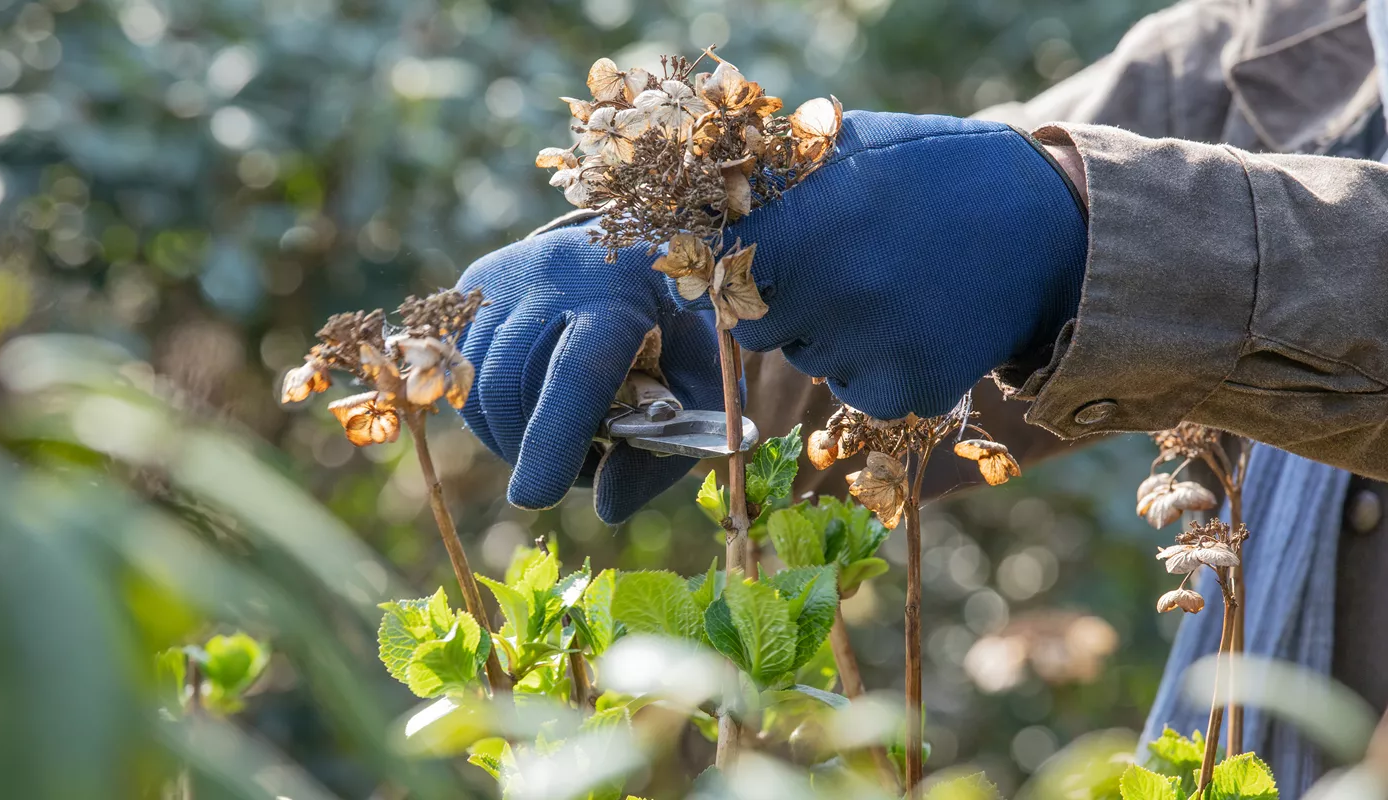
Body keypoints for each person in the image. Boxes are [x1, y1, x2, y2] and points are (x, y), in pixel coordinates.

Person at [453, 0, 1388, 793]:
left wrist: (1089, 231)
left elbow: (1043, 210)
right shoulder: (1304, 33)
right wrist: (687, 286)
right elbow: (944, 217)